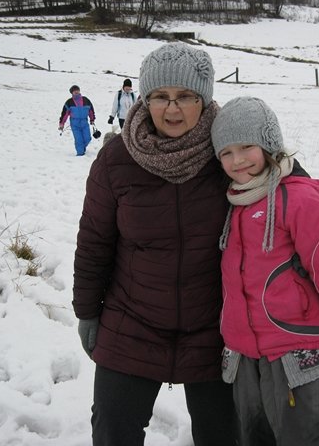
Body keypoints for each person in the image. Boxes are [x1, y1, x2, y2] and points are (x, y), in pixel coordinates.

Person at [72, 43, 237, 446]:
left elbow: (286, 183)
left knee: (224, 436)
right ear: (145, 100)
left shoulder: (230, 151)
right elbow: (94, 242)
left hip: (215, 328)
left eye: (186, 96)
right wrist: (87, 311)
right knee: (113, 430)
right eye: (161, 96)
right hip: (132, 322)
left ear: (205, 99)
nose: (172, 109)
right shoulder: (116, 160)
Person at [211, 96, 319, 446]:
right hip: (244, 361)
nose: (237, 160)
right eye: (226, 152)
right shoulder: (233, 201)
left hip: (296, 362)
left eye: (246, 147)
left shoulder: (301, 202)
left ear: (269, 144)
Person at [59, 85, 98, 156]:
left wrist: (92, 119)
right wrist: (62, 124)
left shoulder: (86, 100)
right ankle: (80, 154)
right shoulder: (69, 102)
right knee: (79, 140)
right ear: (72, 93)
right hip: (75, 124)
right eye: (74, 91)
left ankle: (82, 148)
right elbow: (64, 114)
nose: (76, 92)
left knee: (88, 138)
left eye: (77, 90)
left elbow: (91, 110)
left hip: (84, 122)